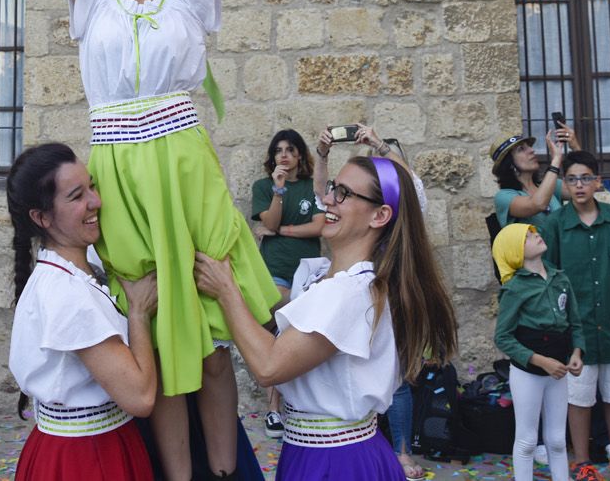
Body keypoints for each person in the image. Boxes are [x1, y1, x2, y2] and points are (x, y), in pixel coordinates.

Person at [3, 0, 285, 479]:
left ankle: (224, 472)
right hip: (122, 176)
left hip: (185, 168)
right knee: (154, 321)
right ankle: (179, 474)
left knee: (213, 329)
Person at [195, 155, 458, 481]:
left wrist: (226, 291)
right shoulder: (341, 282)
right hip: (322, 450)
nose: (329, 199)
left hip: (336, 462)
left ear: (380, 215)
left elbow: (269, 366)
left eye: (345, 193)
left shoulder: (349, 292)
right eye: (334, 187)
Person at [7, 143, 159, 480]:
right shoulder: (67, 295)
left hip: (98, 442)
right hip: (85, 458)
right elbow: (140, 396)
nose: (96, 201)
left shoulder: (80, 267)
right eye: (77, 196)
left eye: (92, 186)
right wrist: (138, 315)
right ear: (42, 217)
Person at [314, 124, 430, 479]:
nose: (337, 198)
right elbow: (323, 197)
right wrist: (320, 155)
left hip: (387, 292)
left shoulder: (397, 202)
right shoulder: (347, 206)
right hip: (358, 291)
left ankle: (402, 449)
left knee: (396, 376)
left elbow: (415, 190)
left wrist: (380, 144)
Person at [540, 150, 610, 481]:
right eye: (572, 179)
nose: (579, 185)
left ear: (597, 182)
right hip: (577, 329)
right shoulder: (555, 224)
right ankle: (581, 461)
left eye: (586, 178)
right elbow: (549, 276)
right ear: (564, 185)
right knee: (579, 397)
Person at [494, 222, 584, 481]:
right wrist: (540, 361)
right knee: (527, 440)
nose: (536, 236)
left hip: (559, 370)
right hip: (528, 372)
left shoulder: (561, 279)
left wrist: (577, 353)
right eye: (528, 237)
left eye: (535, 232)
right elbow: (503, 336)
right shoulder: (514, 288)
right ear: (515, 251)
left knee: (557, 439)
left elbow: (575, 323)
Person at [250, 129, 322, 437]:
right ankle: (274, 410)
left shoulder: (311, 186)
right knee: (281, 330)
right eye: (278, 149)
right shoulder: (264, 186)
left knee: (291, 335)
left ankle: (286, 408)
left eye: (291, 150)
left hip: (308, 272)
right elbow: (269, 222)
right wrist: (279, 191)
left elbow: (318, 226)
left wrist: (280, 232)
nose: (284, 155)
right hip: (276, 271)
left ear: (300, 156)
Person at [489, 124, 577, 230]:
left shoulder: (548, 186)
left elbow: (579, 188)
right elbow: (537, 204)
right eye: (521, 149)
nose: (531, 150)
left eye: (529, 146)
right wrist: (555, 161)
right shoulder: (504, 197)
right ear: (509, 164)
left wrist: (575, 147)